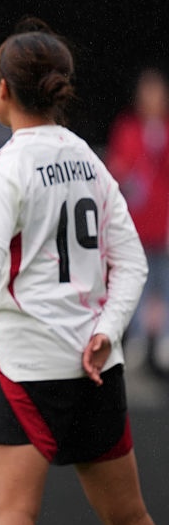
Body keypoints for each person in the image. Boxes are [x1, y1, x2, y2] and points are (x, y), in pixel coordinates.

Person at [0, 19, 157, 525]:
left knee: (13, 517)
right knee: (130, 518)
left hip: (25, 370)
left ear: (2, 89)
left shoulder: (1, 170)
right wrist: (106, 331)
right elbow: (133, 263)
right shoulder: (90, 161)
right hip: (97, 370)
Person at [105, 66, 169, 376]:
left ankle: (165, 337)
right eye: (148, 92)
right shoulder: (127, 128)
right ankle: (139, 338)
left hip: (164, 221)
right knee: (137, 280)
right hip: (136, 220)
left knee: (164, 281)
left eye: (158, 92)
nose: (153, 97)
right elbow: (117, 166)